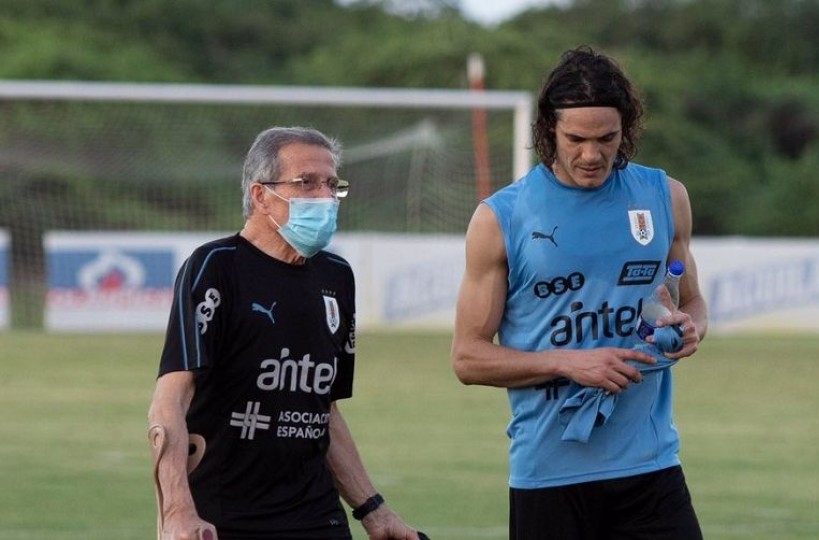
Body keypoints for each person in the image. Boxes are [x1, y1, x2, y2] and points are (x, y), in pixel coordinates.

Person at [451, 46, 709, 540]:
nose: (591, 155)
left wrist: (693, 325)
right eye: (576, 138)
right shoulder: (500, 218)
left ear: (627, 129)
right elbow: (468, 358)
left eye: (606, 138)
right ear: (549, 130)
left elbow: (692, 300)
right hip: (550, 474)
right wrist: (568, 363)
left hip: (651, 467)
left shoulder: (665, 197)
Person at [147, 126, 422, 540]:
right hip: (224, 518)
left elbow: (321, 410)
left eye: (331, 185)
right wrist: (177, 511)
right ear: (261, 196)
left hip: (316, 515)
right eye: (306, 183)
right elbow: (170, 402)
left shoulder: (337, 276)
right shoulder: (216, 268)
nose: (325, 197)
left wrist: (373, 511)